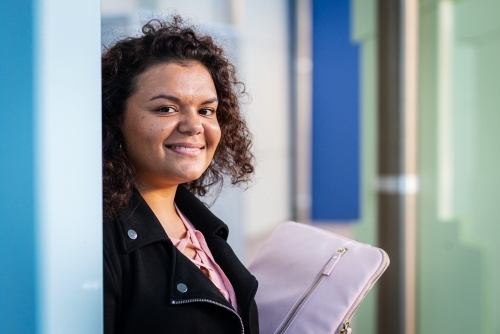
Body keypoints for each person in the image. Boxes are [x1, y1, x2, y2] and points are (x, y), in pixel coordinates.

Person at [102, 17, 258, 334]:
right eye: (166, 109)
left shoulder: (199, 223)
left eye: (206, 110)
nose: (193, 126)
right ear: (114, 118)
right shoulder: (97, 241)